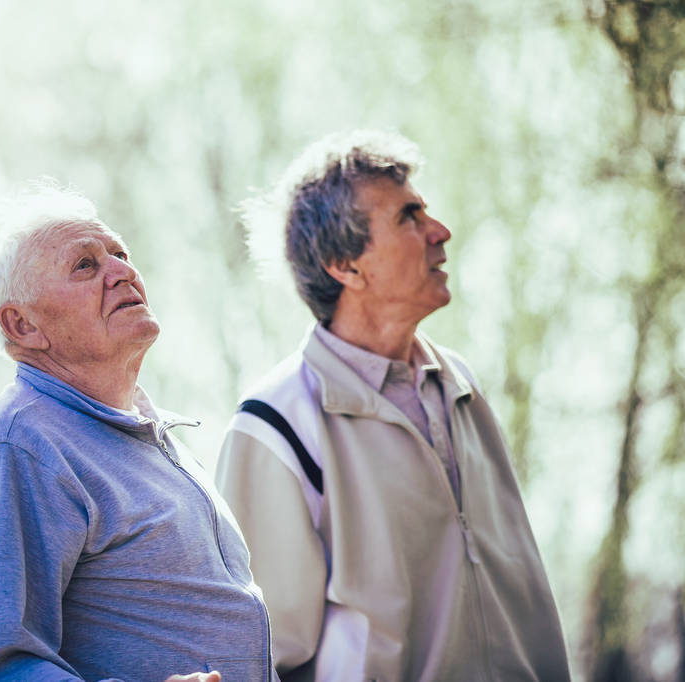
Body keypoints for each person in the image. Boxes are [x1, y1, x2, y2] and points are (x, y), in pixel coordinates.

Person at [215, 131, 571, 681]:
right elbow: (262, 656)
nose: (440, 232)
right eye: (410, 217)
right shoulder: (274, 425)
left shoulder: (461, 386)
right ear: (345, 265)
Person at [0, 182, 277, 682]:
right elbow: (6, 669)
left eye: (120, 254)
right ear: (23, 325)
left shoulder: (156, 435)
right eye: (85, 265)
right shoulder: (15, 444)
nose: (123, 272)